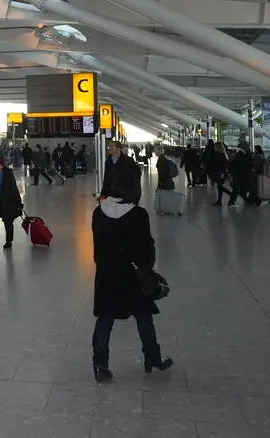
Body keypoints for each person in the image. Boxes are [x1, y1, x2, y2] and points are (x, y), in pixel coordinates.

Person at [92, 153, 172, 382]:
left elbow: (97, 247)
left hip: (107, 273)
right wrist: (147, 267)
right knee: (144, 316)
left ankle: (100, 363)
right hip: (132, 274)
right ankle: (152, 357)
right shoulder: (138, 215)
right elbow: (146, 247)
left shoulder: (99, 213)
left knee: (105, 319)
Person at [101, 140, 142, 206]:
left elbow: (136, 176)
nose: (109, 148)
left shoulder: (128, 161)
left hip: (125, 193)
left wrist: (134, 194)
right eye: (109, 146)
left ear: (118, 149)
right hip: (112, 193)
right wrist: (103, 194)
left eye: (112, 146)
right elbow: (107, 178)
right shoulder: (108, 161)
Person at [207, 142, 234, 207]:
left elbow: (222, 165)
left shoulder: (218, 155)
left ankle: (230, 195)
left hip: (218, 172)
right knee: (219, 187)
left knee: (220, 187)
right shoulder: (222, 155)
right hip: (218, 172)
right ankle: (221, 200)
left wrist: (222, 172)